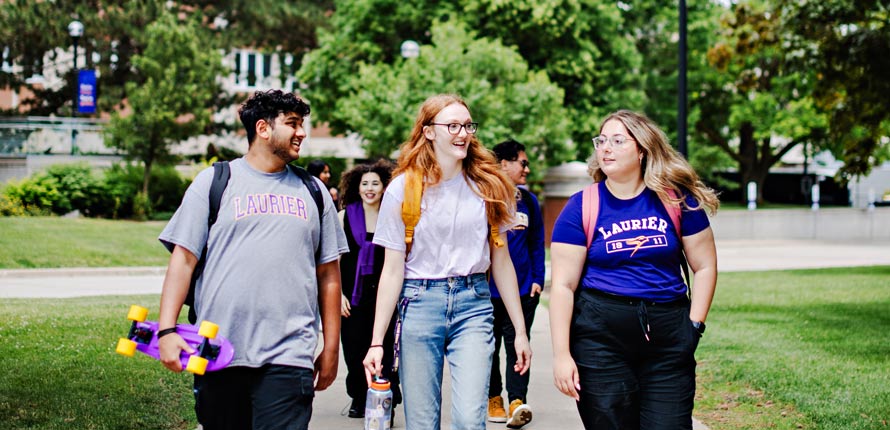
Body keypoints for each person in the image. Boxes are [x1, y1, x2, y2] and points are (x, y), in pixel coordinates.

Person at [156, 89, 348, 430]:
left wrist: (331, 348)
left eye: (302, 124)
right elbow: (183, 261)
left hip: (290, 354)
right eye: (292, 124)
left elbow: (329, 275)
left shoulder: (313, 191)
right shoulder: (214, 182)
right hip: (218, 350)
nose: (301, 132)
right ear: (263, 128)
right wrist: (167, 330)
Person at [362, 94, 532, 430]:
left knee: (470, 420)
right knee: (422, 422)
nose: (463, 133)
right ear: (428, 132)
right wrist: (376, 341)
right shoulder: (402, 189)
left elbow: (502, 263)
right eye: (452, 125)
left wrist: (521, 332)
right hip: (420, 302)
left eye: (468, 125)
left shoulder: (489, 185)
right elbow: (392, 270)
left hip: (474, 304)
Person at [549, 110, 719, 430]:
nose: (606, 148)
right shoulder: (581, 206)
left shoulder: (676, 200)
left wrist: (694, 327)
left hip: (669, 339)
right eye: (601, 141)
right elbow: (562, 286)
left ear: (641, 149)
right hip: (600, 341)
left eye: (617, 141)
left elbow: (706, 266)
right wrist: (561, 355)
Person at [336, 160, 402, 419]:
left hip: (385, 295)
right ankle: (359, 396)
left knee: (386, 347)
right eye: (365, 184)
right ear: (357, 187)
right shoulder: (344, 217)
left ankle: (387, 397)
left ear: (385, 187)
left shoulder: (392, 214)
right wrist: (338, 294)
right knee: (354, 348)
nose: (370, 188)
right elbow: (336, 261)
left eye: (375, 183)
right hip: (352, 297)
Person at [486, 139, 545, 428]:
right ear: (503, 164)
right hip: (486, 292)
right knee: (488, 347)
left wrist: (537, 278)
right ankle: (493, 398)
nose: (527, 168)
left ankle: (517, 402)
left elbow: (537, 243)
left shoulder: (529, 201)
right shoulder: (484, 197)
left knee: (518, 345)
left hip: (522, 291)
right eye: (522, 162)